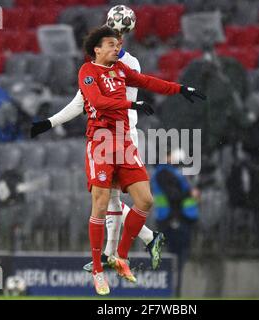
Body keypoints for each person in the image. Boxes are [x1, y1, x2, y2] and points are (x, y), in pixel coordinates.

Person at [36, 26, 205, 295]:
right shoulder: (88, 72)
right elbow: (98, 102)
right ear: (97, 49)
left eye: (118, 44)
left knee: (145, 200)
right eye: (111, 44)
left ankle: (120, 257)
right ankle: (98, 269)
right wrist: (131, 105)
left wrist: (180, 88)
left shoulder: (120, 70)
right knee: (101, 204)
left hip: (124, 141)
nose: (117, 48)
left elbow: (147, 81)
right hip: (101, 142)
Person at [30, 5, 166, 273]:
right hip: (106, 137)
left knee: (108, 200)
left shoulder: (129, 64)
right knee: (106, 199)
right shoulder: (96, 67)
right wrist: (49, 122)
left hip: (123, 136)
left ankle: (112, 254)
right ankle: (135, 244)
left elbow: (112, 103)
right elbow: (80, 102)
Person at [151, 148, 199, 296]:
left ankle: (174, 292)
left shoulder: (169, 172)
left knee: (177, 259)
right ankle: (173, 293)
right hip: (173, 221)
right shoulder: (165, 173)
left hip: (176, 219)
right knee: (175, 259)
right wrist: (190, 193)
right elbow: (174, 196)